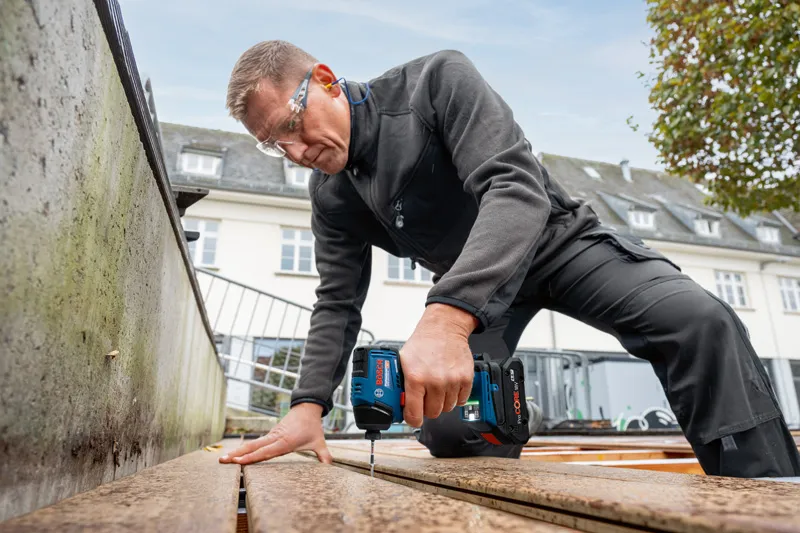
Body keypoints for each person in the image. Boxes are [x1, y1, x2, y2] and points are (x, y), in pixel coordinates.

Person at [218, 40, 800, 478]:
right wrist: (308, 404)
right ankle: (512, 410)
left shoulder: (435, 83)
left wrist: (445, 318)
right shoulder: (332, 192)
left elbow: (515, 189)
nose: (293, 152)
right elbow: (338, 301)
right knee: (452, 430)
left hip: (559, 244)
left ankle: (770, 494)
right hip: (487, 297)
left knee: (700, 323)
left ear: (324, 80)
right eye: (274, 143)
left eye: (292, 125)